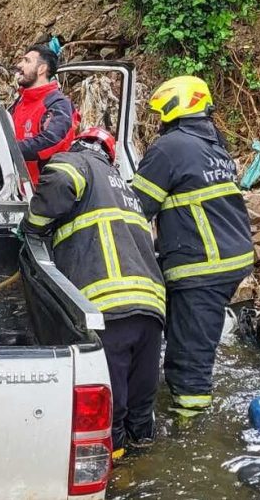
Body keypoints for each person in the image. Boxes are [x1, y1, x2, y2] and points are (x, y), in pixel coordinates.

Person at [23, 127, 166, 457]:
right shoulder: (126, 191)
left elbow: (57, 182)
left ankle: (115, 473)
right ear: (111, 156)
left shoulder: (77, 163)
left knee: (108, 409)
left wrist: (32, 226)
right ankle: (145, 459)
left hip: (109, 309)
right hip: (150, 308)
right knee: (142, 407)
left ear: (79, 145)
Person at [131, 76, 254, 417]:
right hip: (229, 257)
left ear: (173, 107)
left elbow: (136, 207)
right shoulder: (212, 144)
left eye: (160, 114)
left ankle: (191, 429)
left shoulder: (170, 148)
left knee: (189, 359)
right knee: (191, 340)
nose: (158, 121)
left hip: (203, 266)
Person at [10, 43, 79, 183]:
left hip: (45, 191)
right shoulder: (20, 101)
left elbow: (51, 140)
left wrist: (7, 148)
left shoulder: (59, 104)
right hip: (17, 187)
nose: (19, 65)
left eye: (26, 61)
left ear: (41, 69)